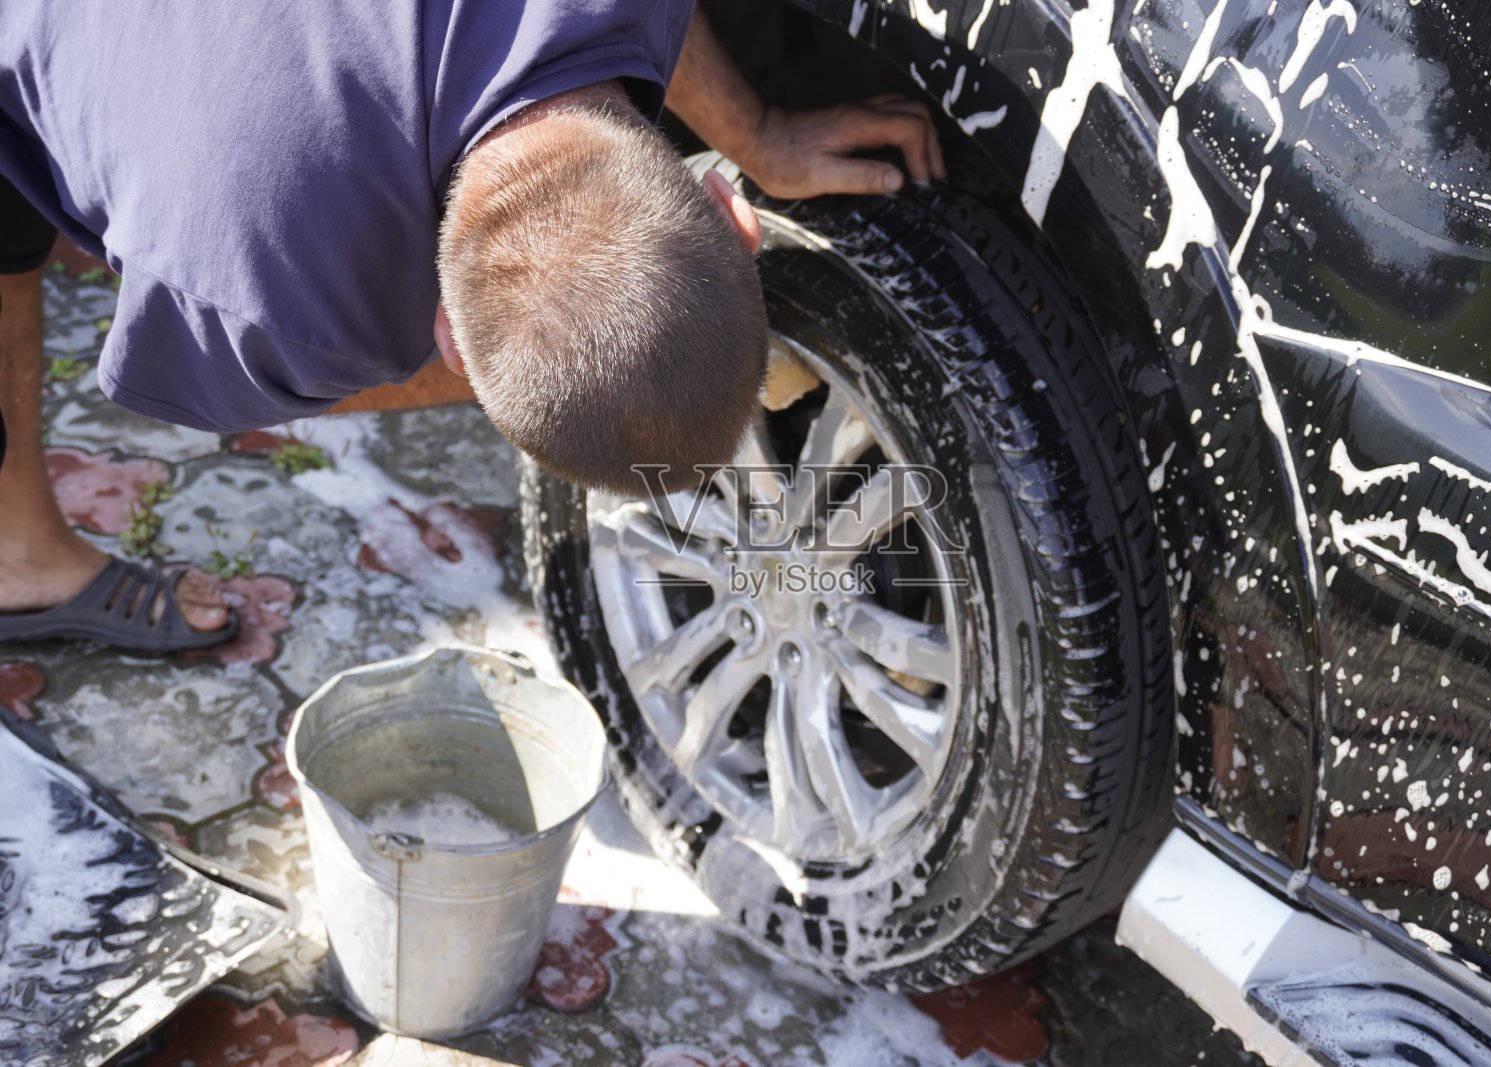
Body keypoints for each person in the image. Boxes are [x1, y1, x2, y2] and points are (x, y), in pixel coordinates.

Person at [0, 4, 944, 653]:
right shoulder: (248, 289)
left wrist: (759, 130)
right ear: (447, 339)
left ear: (727, 211)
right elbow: (183, 388)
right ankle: (17, 560)